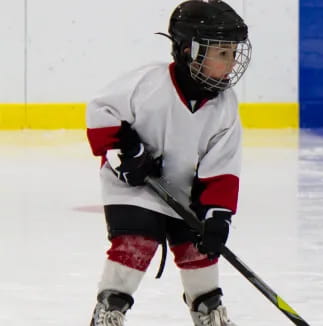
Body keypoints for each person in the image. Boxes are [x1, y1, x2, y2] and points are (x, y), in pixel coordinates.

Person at [85, 1, 252, 325]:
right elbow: (100, 112)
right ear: (190, 51)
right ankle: (110, 308)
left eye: (233, 52)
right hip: (133, 186)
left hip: (185, 191)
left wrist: (217, 216)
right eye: (222, 53)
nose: (231, 63)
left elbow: (223, 168)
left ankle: (208, 309)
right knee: (137, 240)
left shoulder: (225, 107)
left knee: (200, 249)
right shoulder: (148, 83)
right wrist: (126, 152)